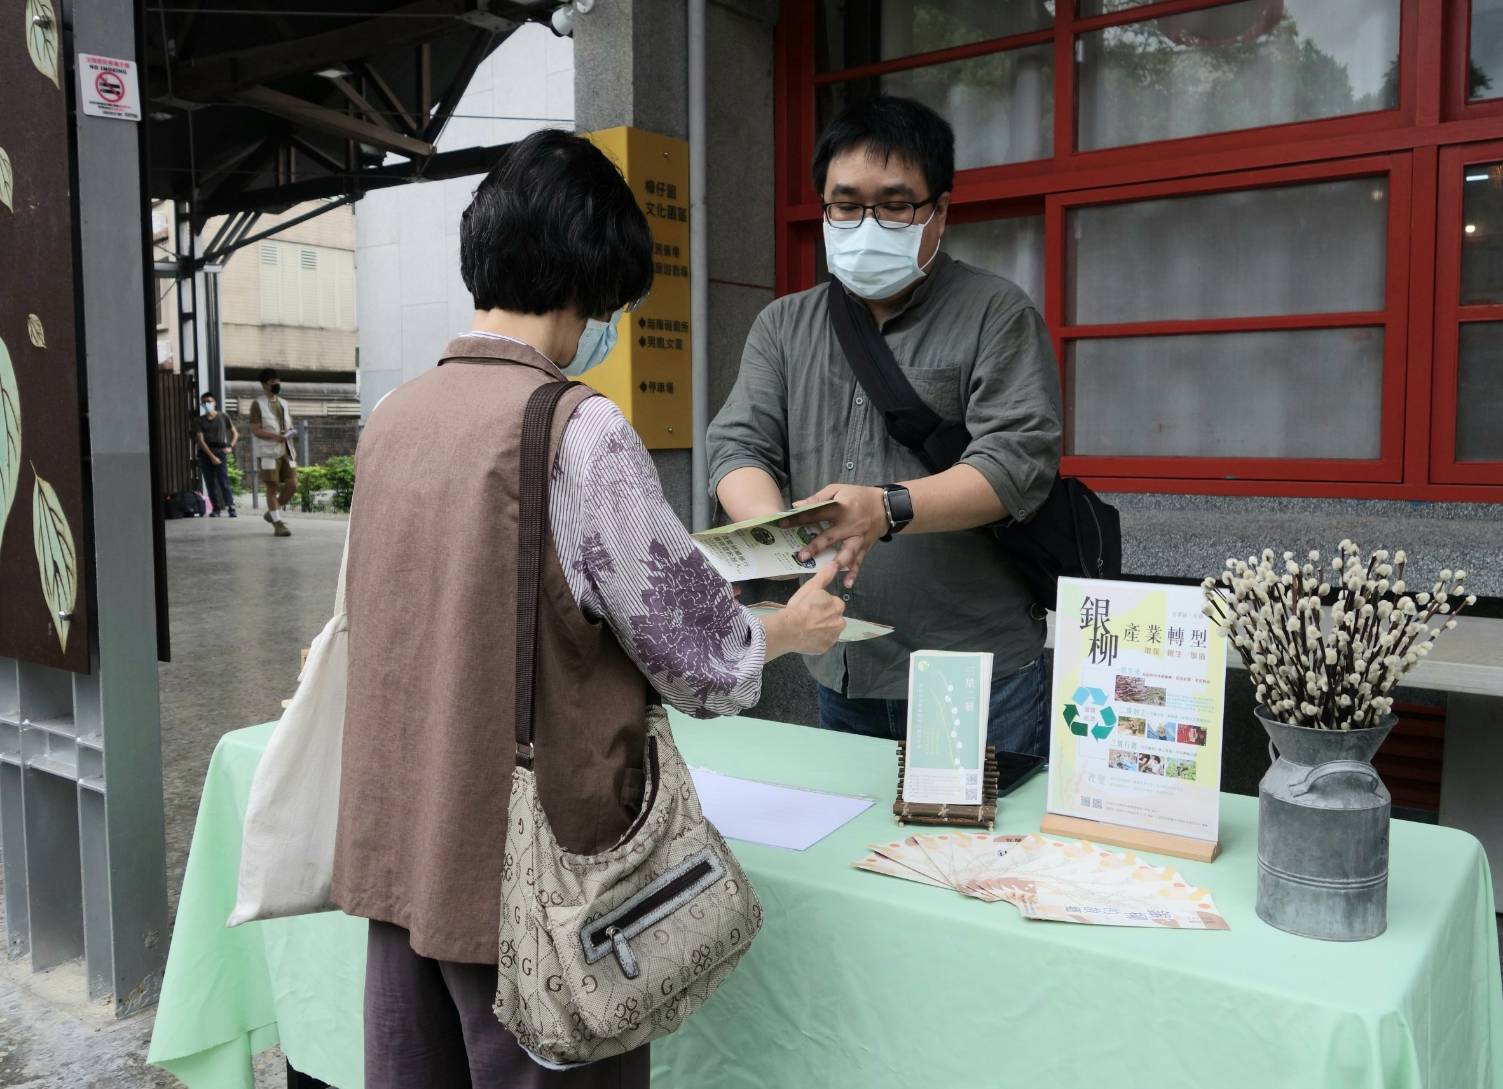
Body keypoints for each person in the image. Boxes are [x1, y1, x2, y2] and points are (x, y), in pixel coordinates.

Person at [331, 129, 845, 1088]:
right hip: (532, 881)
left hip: (401, 843)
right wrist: (785, 628)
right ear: (589, 278)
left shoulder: (393, 417)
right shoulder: (579, 429)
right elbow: (696, 655)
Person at [707, 95, 1062, 758]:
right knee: (856, 827)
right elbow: (736, 445)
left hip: (972, 669)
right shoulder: (783, 325)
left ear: (940, 211)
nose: (866, 224)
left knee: (982, 831)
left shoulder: (996, 313)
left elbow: (1017, 463)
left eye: (895, 205)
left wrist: (885, 508)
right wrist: (782, 535)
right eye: (845, 205)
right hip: (842, 661)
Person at [249, 368, 297, 537]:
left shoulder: (284, 403)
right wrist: (275, 436)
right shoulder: (258, 404)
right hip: (268, 452)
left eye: (277, 380)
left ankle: (273, 511)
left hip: (287, 450)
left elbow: (289, 424)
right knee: (272, 486)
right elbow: (255, 430)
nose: (276, 384)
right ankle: (278, 524)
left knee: (292, 484)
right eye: (272, 381)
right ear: (264, 384)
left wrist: (289, 432)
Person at [191, 390, 238, 517]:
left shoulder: (223, 416)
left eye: (209, 401)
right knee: (210, 482)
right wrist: (212, 456)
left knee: (224, 480)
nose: (207, 404)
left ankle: (231, 507)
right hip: (205, 453)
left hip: (220, 451)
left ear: (215, 402)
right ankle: (216, 509)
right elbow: (200, 440)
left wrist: (230, 446)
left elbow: (235, 433)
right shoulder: (199, 421)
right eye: (204, 402)